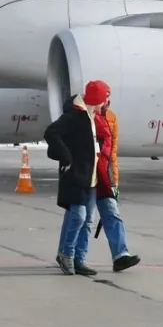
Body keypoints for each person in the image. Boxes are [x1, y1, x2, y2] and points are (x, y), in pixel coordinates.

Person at [47, 81, 111, 276]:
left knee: (88, 220)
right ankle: (66, 254)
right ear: (97, 99)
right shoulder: (74, 116)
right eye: (105, 98)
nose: (106, 103)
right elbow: (51, 133)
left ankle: (79, 259)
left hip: (91, 176)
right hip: (76, 175)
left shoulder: (94, 117)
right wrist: (66, 156)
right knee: (78, 216)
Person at [85, 96, 140, 272]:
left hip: (105, 176)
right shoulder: (84, 116)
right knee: (81, 218)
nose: (107, 102)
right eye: (105, 98)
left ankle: (120, 255)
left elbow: (112, 152)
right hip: (87, 175)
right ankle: (70, 255)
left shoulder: (111, 118)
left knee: (112, 214)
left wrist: (114, 180)